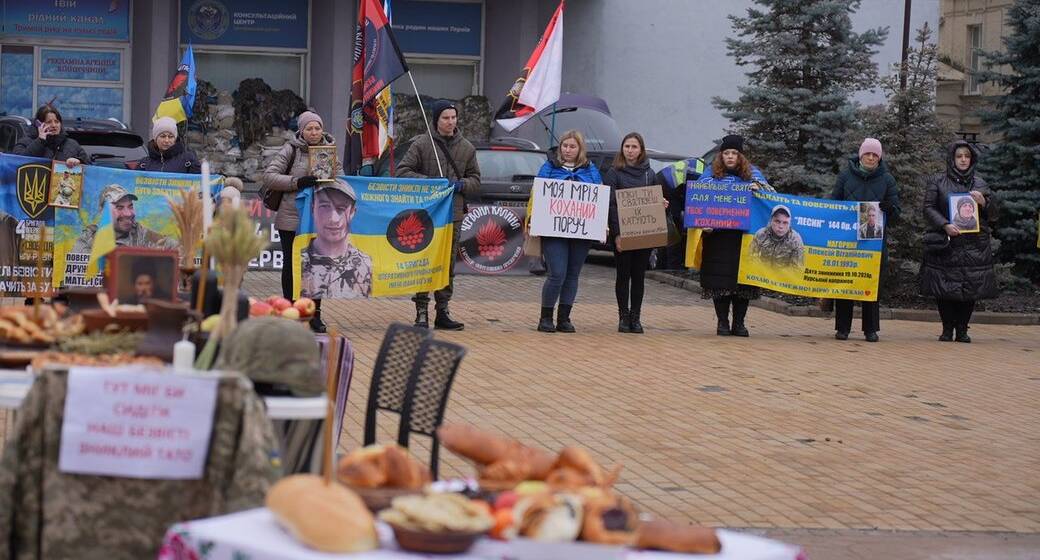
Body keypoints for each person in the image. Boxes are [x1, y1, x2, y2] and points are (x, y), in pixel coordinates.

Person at [397, 100, 481, 330]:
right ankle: (421, 310)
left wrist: (461, 185)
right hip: (427, 214)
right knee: (425, 262)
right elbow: (403, 171)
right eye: (445, 117)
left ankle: (442, 310)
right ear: (436, 120)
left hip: (452, 214)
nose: (450, 122)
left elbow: (476, 180)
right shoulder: (422, 144)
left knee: (447, 264)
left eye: (453, 117)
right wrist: (431, 184)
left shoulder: (467, 148)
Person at [261, 110, 342, 333]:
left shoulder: (330, 151)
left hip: (319, 219)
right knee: (291, 266)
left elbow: (342, 178)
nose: (314, 132)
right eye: (309, 128)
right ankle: (289, 310)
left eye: (317, 128)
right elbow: (269, 176)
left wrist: (332, 183)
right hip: (292, 219)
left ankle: (314, 314)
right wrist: (298, 182)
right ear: (302, 130)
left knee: (317, 267)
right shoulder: (291, 149)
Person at [919, 140, 998, 343]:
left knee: (970, 288)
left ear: (971, 159)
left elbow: (995, 214)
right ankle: (947, 329)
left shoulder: (980, 183)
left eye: (967, 156)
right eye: (959, 156)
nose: (963, 160)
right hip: (947, 243)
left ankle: (962, 330)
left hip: (974, 245)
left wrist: (985, 202)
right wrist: (945, 224)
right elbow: (928, 207)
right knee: (944, 287)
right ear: (952, 159)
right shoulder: (938, 181)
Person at [528, 129, 602, 333]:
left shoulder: (590, 170)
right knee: (557, 274)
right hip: (554, 229)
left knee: (572, 274)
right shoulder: (549, 167)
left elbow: (598, 194)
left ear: (580, 149)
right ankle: (545, 317)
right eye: (565, 146)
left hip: (580, 230)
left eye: (572, 146)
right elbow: (537, 192)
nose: (568, 150)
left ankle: (564, 318)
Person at [696, 135, 769, 337]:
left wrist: (759, 190)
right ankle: (722, 322)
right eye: (726, 153)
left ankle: (739, 323)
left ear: (740, 156)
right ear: (721, 155)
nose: (730, 157)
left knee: (742, 283)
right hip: (718, 238)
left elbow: (771, 197)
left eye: (734, 153)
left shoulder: (753, 175)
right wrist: (703, 224)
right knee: (720, 282)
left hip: (745, 238)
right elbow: (698, 200)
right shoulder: (710, 174)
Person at [830, 138, 900, 342]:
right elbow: (834, 205)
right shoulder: (845, 176)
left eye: (875, 155)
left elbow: (897, 215)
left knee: (871, 285)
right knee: (845, 282)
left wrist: (890, 209)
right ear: (861, 156)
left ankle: (871, 329)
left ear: (879, 158)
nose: (871, 157)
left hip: (873, 243)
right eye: (867, 154)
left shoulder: (887, 180)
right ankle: (842, 328)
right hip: (847, 240)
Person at [604, 132, 662, 333]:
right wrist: (617, 234)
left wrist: (661, 204)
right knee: (623, 275)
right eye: (627, 146)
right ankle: (623, 316)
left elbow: (655, 202)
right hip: (622, 233)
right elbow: (610, 205)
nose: (630, 150)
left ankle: (636, 317)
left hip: (643, 233)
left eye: (634, 147)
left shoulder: (649, 174)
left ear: (641, 150)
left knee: (638, 276)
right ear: (622, 149)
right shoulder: (614, 172)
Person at [299, 180, 373, 299]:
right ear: (312, 209)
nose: (333, 219)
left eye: (341, 209)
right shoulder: (299, 260)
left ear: (353, 212)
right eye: (325, 207)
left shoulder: (366, 265)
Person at [71, 184, 179, 254]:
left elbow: (177, 249)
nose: (128, 213)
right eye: (119, 207)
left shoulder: (141, 234)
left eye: (130, 206)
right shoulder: (88, 240)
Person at [655, 156, 707, 270]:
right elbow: (693, 197)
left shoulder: (701, 165)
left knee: (670, 230)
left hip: (666, 186)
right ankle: (672, 268)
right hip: (667, 189)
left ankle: (663, 266)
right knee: (674, 229)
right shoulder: (701, 173)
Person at [13, 104, 88, 166]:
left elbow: (89, 166)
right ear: (38, 124)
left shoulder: (72, 145)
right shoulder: (26, 142)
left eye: (57, 121)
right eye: (49, 122)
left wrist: (78, 161)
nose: (54, 125)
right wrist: (40, 141)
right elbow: (16, 162)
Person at [136, 117, 201, 173]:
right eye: (162, 136)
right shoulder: (144, 164)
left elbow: (201, 183)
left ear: (175, 139)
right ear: (155, 139)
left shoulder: (188, 160)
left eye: (170, 136)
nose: (167, 140)